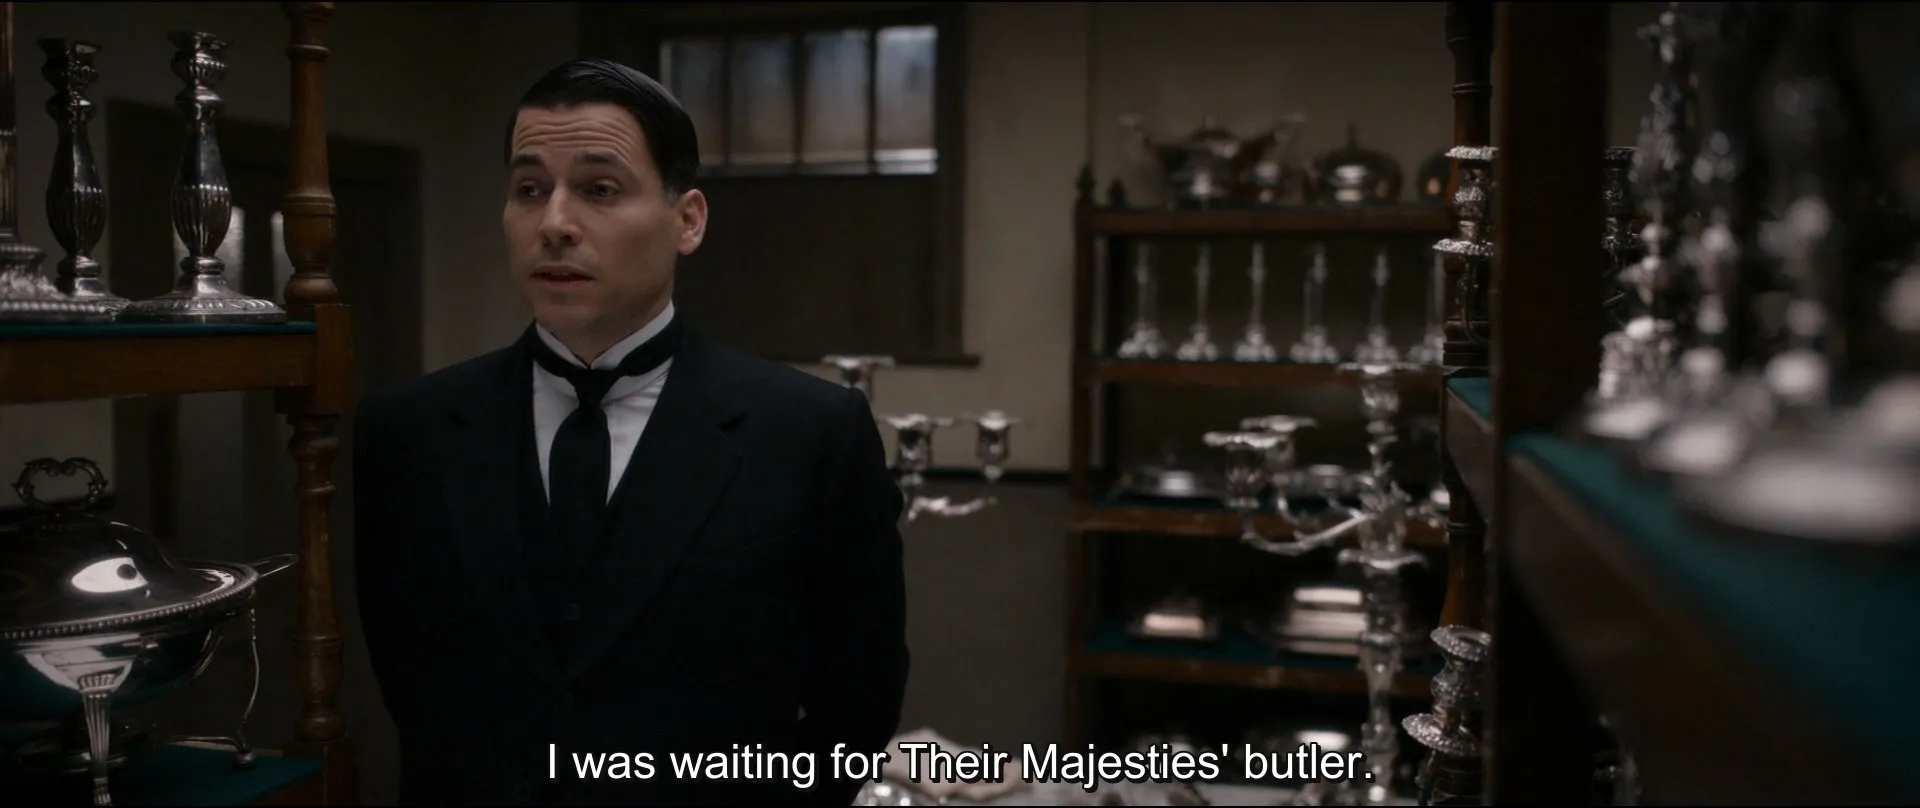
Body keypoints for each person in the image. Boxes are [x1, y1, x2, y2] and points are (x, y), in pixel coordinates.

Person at [352, 59, 909, 805]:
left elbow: (858, 706)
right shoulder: (408, 431)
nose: (554, 223)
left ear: (688, 220)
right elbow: (410, 686)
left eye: (600, 189)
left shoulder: (811, 433)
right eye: (529, 190)